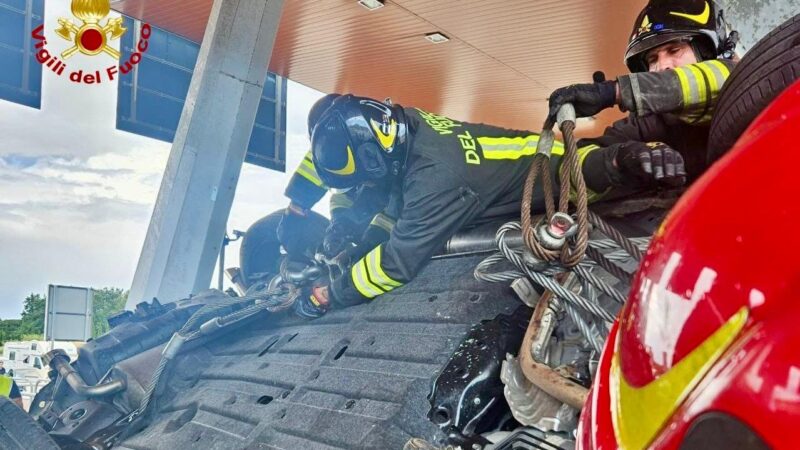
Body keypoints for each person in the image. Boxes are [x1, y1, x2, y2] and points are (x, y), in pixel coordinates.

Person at [296, 92, 687, 314]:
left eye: (366, 176)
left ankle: (625, 159)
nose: (367, 185)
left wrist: (335, 292)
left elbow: (397, 262)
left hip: (564, 177)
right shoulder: (407, 125)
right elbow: (395, 198)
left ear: (375, 157)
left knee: (595, 169)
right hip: (530, 166)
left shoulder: (437, 179)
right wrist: (360, 236)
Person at [547, 0, 739, 194]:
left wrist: (615, 91)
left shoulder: (742, 82)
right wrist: (617, 160)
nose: (660, 67)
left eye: (674, 50)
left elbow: (722, 77)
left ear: (709, 52)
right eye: (652, 59)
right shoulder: (644, 123)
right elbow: (569, 172)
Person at [276, 93, 398, 262]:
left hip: (394, 210)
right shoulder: (328, 147)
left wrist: (370, 242)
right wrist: (295, 214)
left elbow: (391, 205)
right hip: (354, 202)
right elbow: (310, 182)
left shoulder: (382, 152)